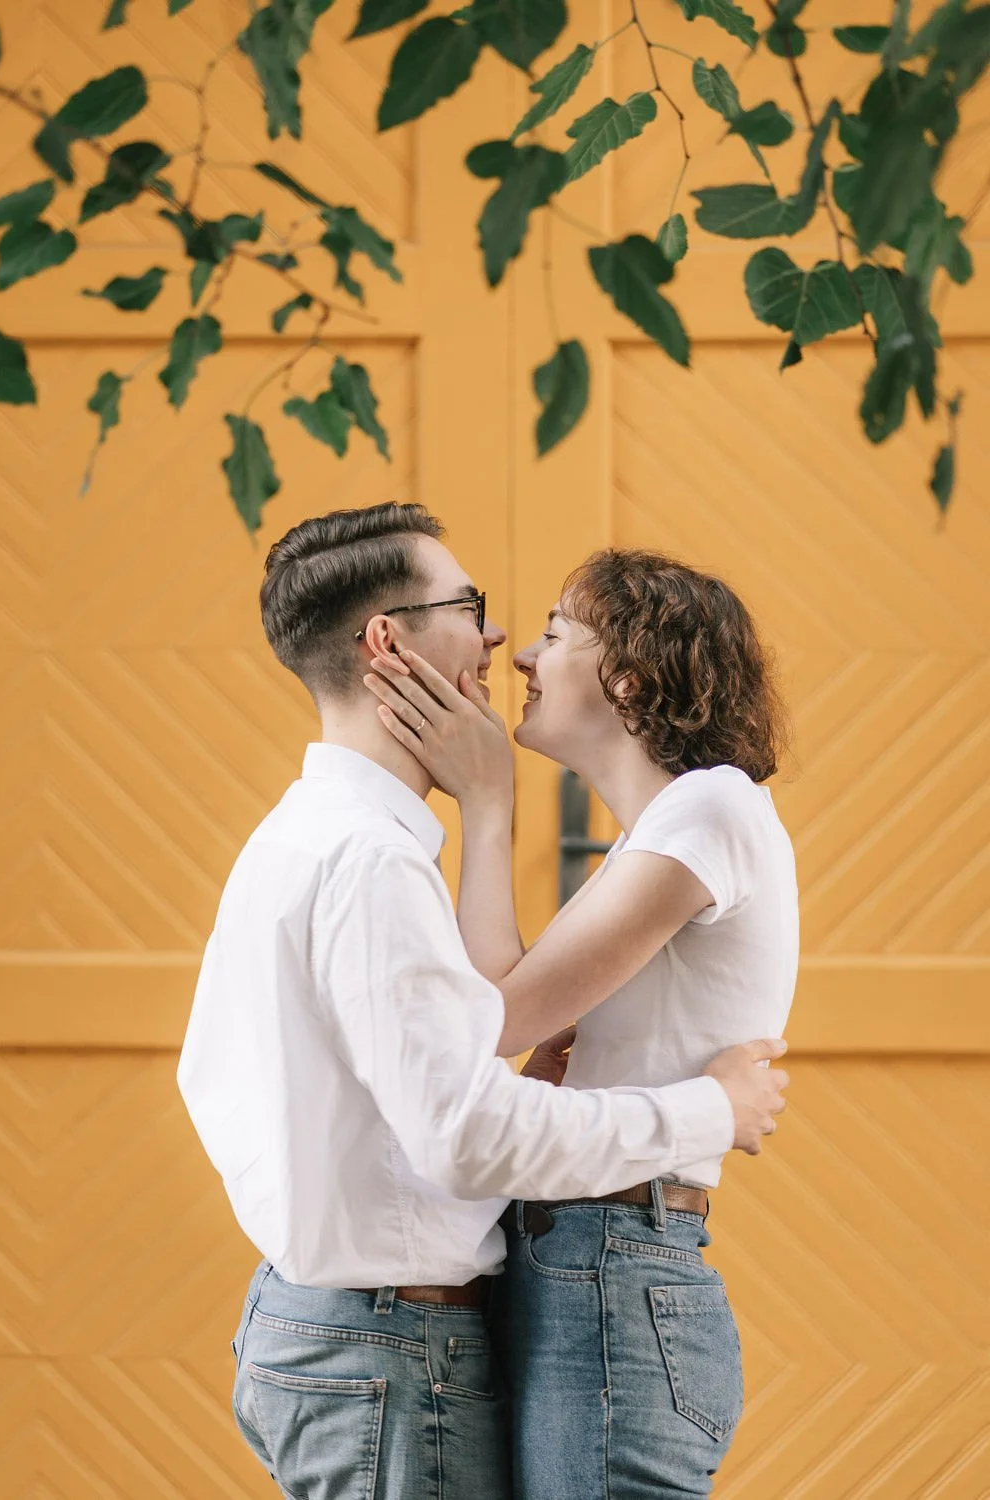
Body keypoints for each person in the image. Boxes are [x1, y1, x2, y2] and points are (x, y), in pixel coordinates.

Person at [178, 503, 788, 1500]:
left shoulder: (306, 836)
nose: (502, 641)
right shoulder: (368, 860)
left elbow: (228, 1078)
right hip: (382, 1342)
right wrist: (708, 1110)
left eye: (543, 627)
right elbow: (464, 1126)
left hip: (357, 1325)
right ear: (387, 641)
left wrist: (324, 1214)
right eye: (472, 607)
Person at [364, 546, 799, 1499]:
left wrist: (486, 797)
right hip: (587, 1257)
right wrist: (486, 810)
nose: (521, 656)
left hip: (617, 1263)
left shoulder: (710, 807)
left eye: (556, 634)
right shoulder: (663, 830)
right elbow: (500, 1005)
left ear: (629, 675)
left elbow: (497, 1014)